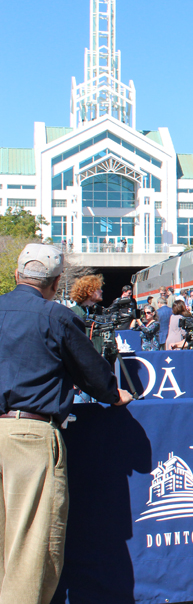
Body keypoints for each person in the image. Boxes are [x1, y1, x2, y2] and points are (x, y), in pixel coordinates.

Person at [0, 243, 132, 604]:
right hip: (31, 434)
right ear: (57, 281)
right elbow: (92, 374)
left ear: (17, 273)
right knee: (31, 549)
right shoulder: (55, 317)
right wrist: (113, 394)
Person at [69, 274, 106, 351]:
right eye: (98, 289)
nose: (101, 291)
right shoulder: (73, 312)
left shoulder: (102, 311)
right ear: (89, 291)